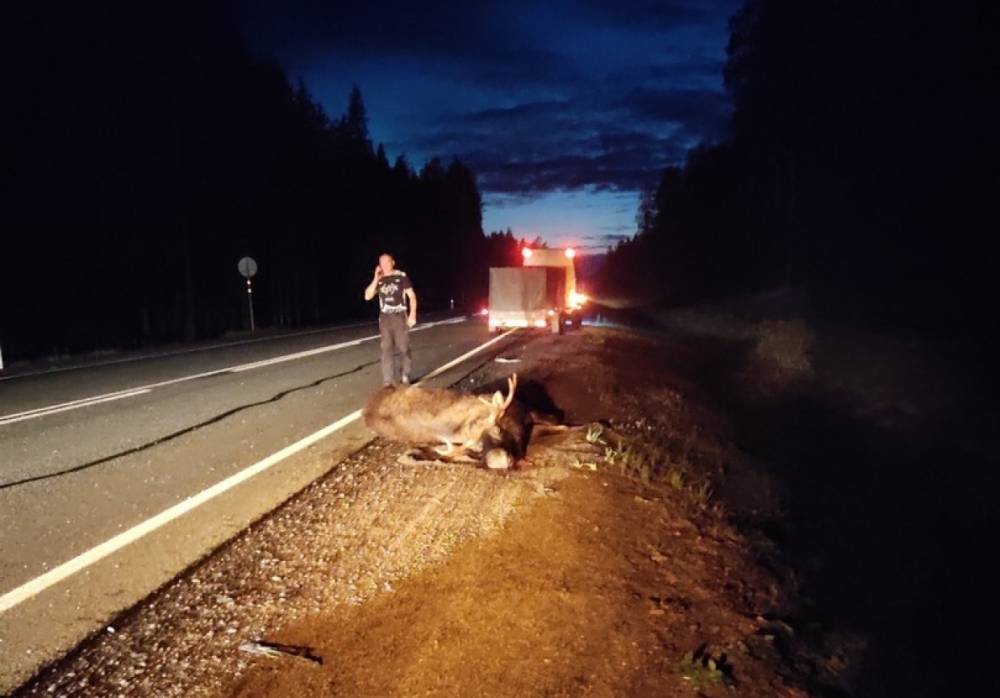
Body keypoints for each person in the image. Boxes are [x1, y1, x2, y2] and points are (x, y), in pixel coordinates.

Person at [364, 253, 417, 386]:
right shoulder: (380, 279)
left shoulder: (401, 276)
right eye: (381, 263)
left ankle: (405, 374)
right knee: (386, 348)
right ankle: (388, 380)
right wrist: (376, 278)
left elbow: (412, 296)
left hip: (399, 315)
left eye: (387, 262)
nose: (385, 265)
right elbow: (367, 296)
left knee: (403, 347)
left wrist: (412, 315)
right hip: (385, 318)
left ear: (393, 262)